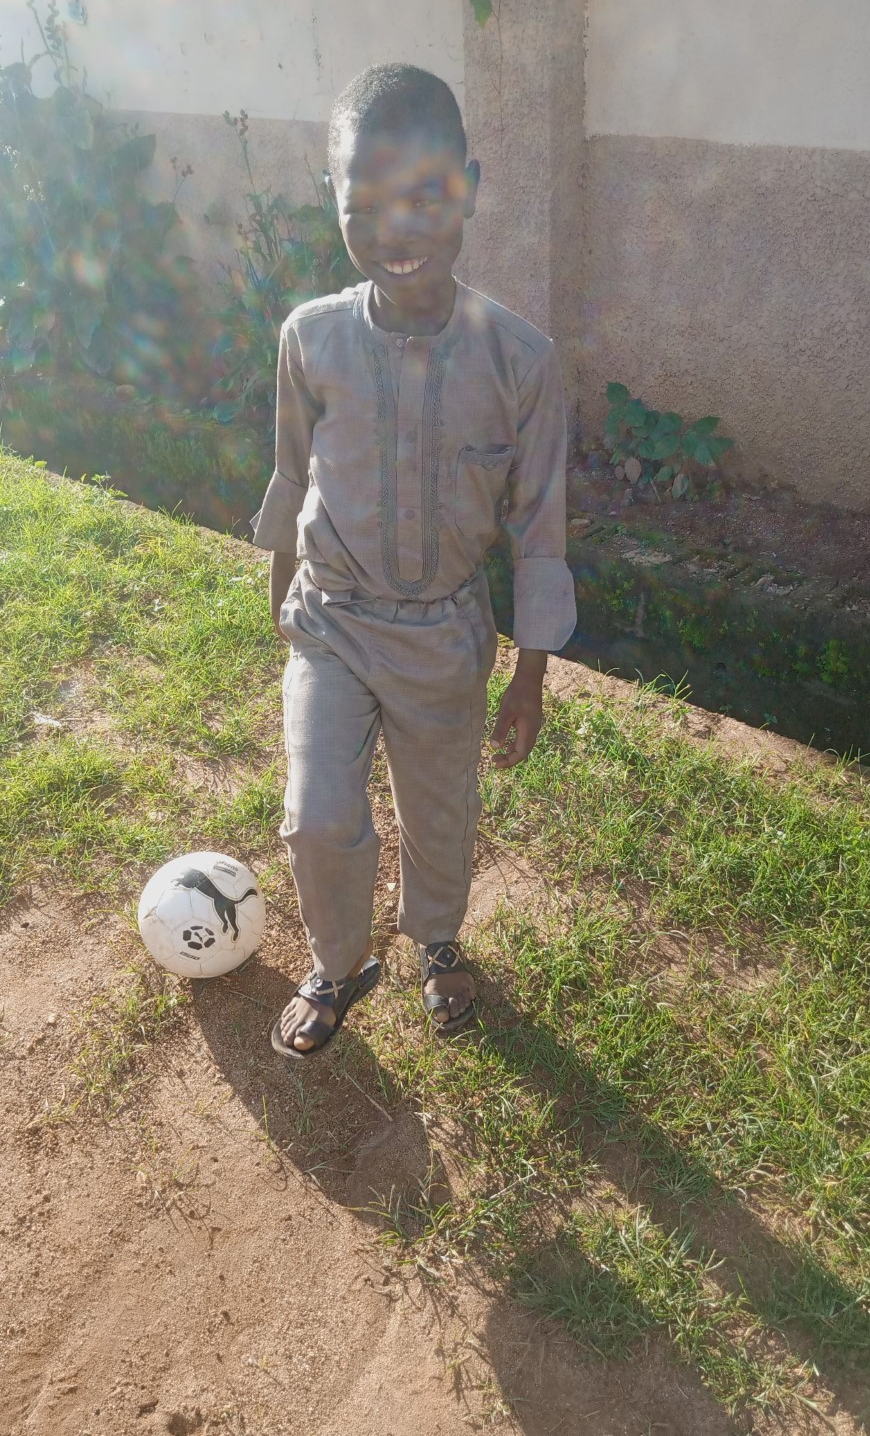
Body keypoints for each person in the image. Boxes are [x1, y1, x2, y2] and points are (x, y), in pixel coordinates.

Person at [251, 63, 576, 1057]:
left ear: (469, 189)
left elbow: (539, 530)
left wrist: (529, 677)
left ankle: (437, 941)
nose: (397, 229)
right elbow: (292, 476)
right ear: (334, 199)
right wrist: (285, 616)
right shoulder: (311, 337)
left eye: (426, 198)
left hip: (444, 635)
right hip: (333, 619)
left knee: (440, 814)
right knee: (317, 815)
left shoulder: (521, 360)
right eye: (366, 203)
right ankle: (338, 962)